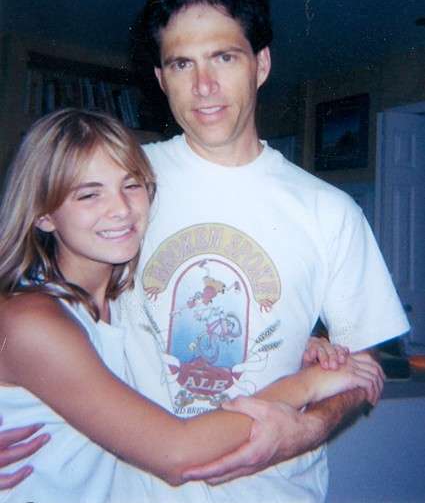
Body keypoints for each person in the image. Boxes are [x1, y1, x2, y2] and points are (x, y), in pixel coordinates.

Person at [1, 0, 409, 502]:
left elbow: (365, 364)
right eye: (181, 64)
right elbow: (24, 301)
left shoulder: (330, 211)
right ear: (160, 78)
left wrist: (307, 427)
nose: (204, 86)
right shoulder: (127, 180)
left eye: (224, 57)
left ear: (261, 64)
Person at [0, 108, 383, 503]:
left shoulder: (115, 298)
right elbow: (177, 454)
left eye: (131, 185)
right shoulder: (34, 319)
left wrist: (300, 344)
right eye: (89, 194)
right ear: (43, 214)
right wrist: (308, 384)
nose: (121, 208)